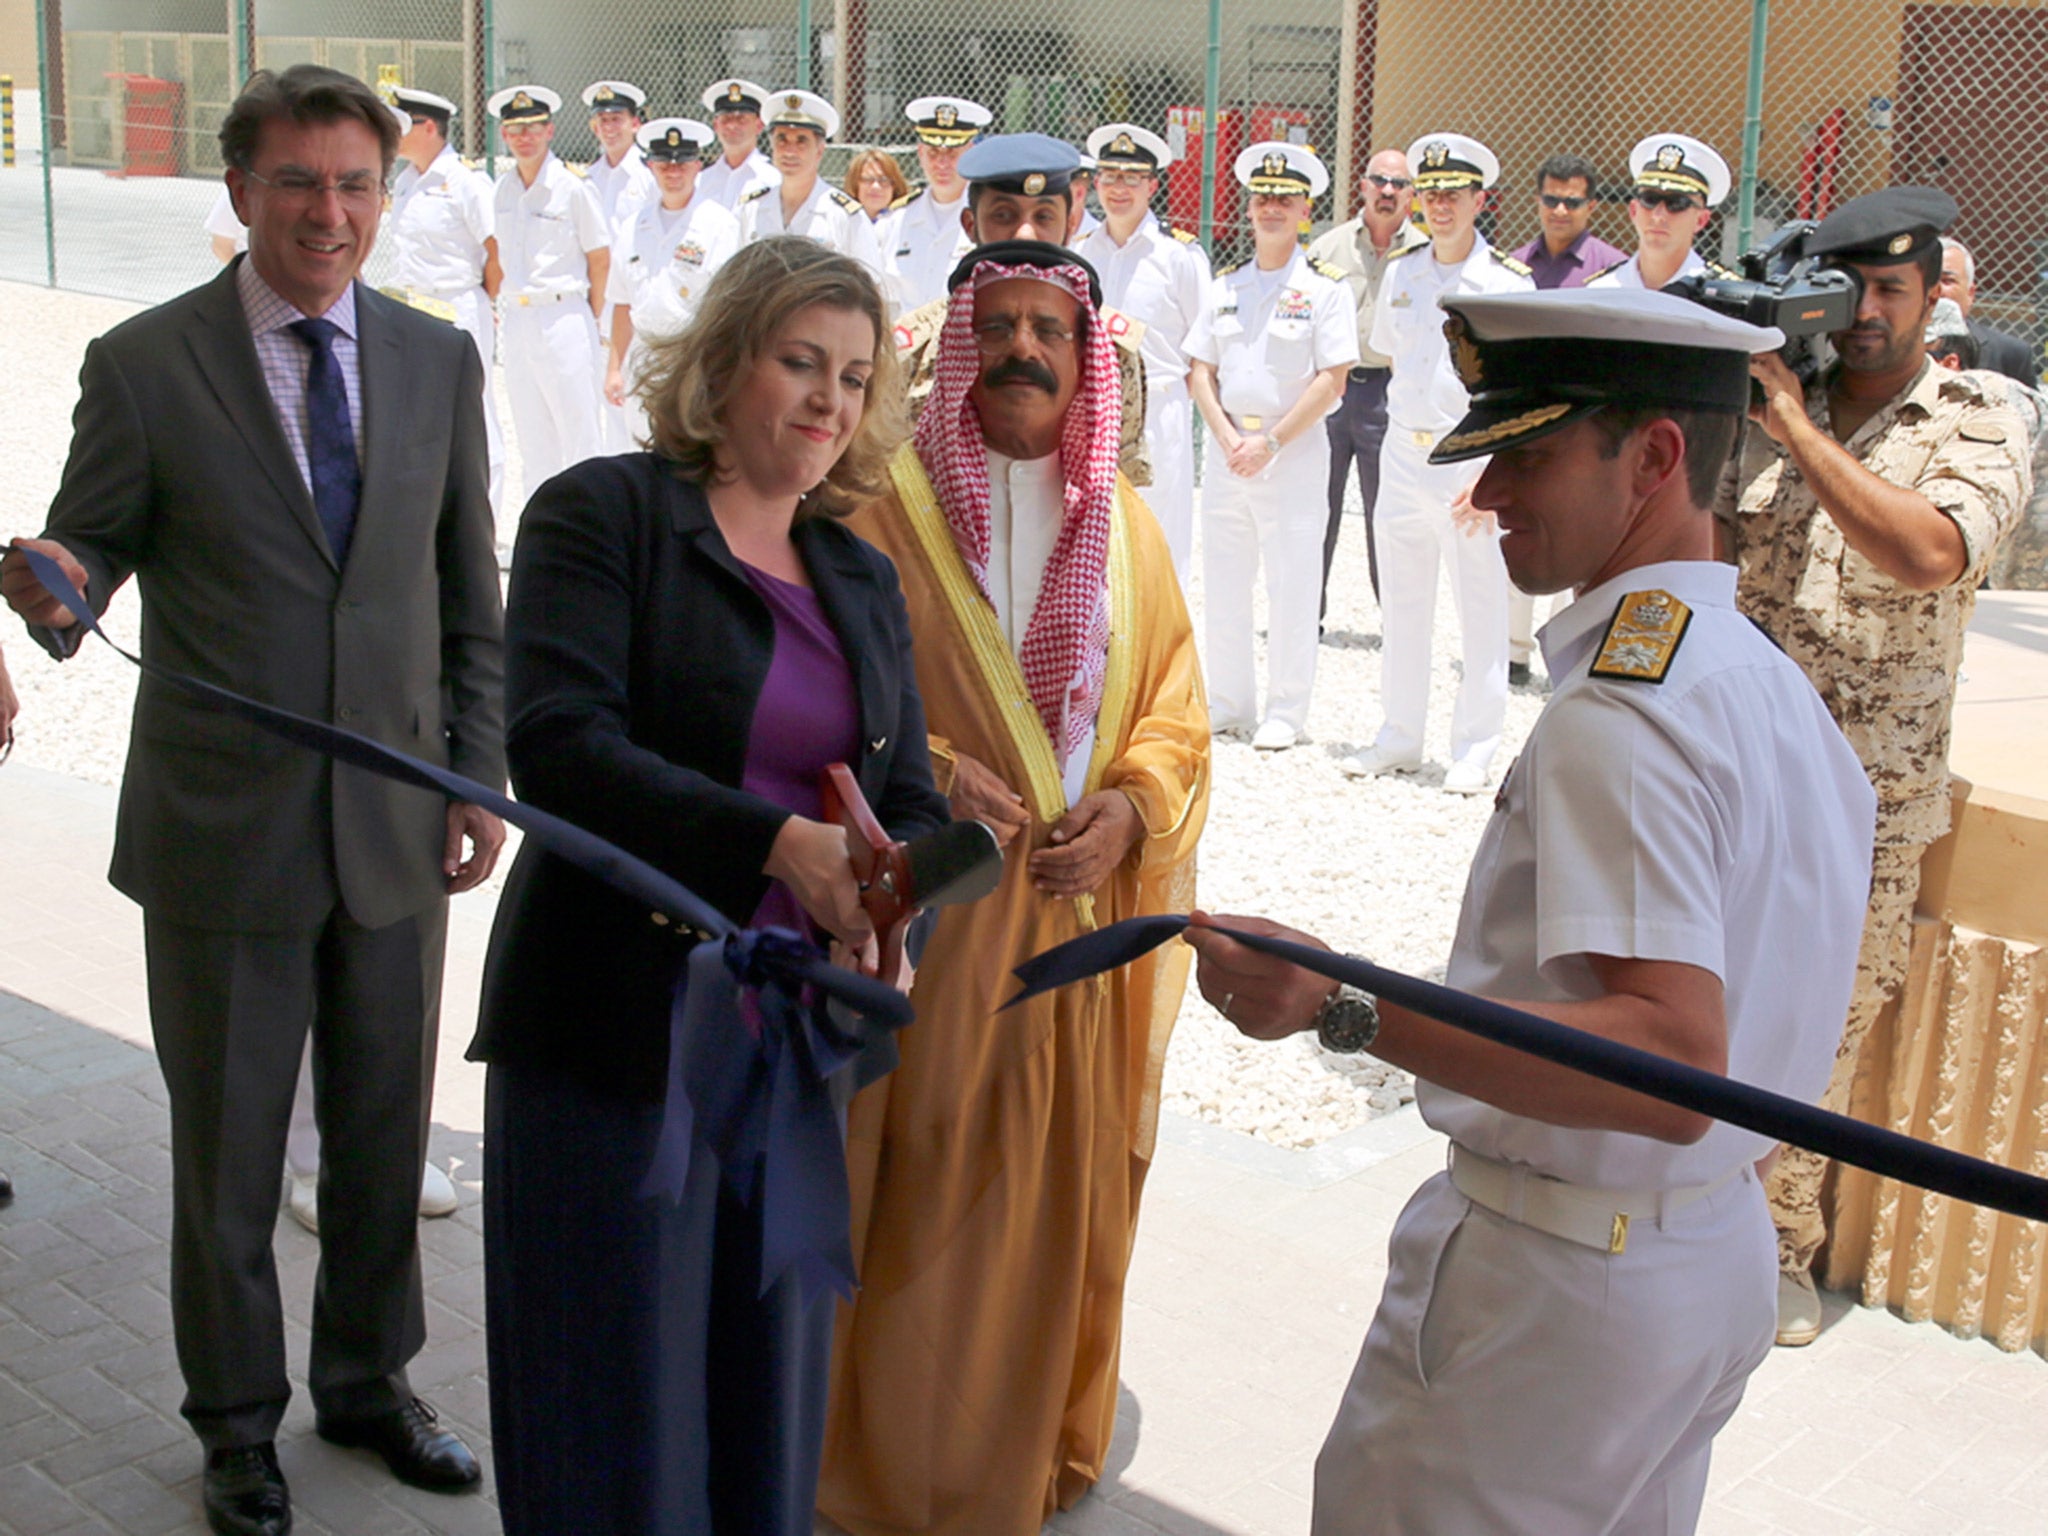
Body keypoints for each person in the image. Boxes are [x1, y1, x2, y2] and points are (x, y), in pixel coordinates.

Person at [1189, 285, 1875, 1535]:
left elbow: (1671, 1063)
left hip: (1561, 1288)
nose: (1490, 493)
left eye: (1531, 453)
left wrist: (1341, 1004)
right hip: (1697, 1256)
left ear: (1656, 458)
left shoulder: (1623, 716)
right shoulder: (1756, 680)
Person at [0, 64, 503, 1536]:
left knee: (378, 1134)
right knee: (226, 1164)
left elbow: (468, 592)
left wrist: (475, 771)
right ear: (239, 194)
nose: (329, 214)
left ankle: (368, 1384)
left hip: (399, 827)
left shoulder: (435, 360)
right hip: (225, 833)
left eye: (355, 185)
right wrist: (52, 584)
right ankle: (234, 1426)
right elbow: (88, 558)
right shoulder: (150, 364)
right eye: (297, 184)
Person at [470, 235, 945, 1536]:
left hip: (787, 1054)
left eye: (853, 377)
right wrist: (775, 848)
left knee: (762, 1411)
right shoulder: (602, 513)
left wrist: (906, 909)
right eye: (800, 361)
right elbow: (561, 746)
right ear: (726, 361)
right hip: (614, 1043)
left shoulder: (858, 572)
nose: (827, 401)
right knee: (611, 1415)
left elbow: (910, 796)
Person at [819, 239, 1209, 1536]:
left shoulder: (1133, 534)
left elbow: (1175, 717)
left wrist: (1133, 808)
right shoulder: (880, 509)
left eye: (1052, 329)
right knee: (916, 1192)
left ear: (1086, 358)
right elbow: (819, 701)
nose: (1026, 351)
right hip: (931, 928)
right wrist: (924, 767)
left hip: (1069, 926)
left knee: (1039, 1210)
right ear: (960, 347)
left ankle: (1006, 1461)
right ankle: (874, 1472)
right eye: (1002, 327)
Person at [1722, 186, 2031, 1347]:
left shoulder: (1976, 411)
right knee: (1696, 999)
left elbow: (1928, 553)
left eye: (1889, 291)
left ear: (1929, 296)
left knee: (1816, 1034)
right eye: (1846, 287)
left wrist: (1796, 430)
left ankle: (1777, 1253)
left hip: (1866, 800)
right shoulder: (1754, 395)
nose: (1863, 313)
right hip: (1737, 777)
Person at [1342, 132, 1531, 794]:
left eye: (1454, 194)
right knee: (1403, 600)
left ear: (1482, 198)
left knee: (1479, 604)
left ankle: (1475, 746)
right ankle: (1399, 736)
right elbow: (1396, 354)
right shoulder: (1404, 271)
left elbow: (1520, 388)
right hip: (1403, 448)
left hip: (1470, 458)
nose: (1440, 206)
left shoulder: (1506, 284)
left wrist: (1491, 472)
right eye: (1431, 193)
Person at [1189, 142, 1357, 749]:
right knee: (1227, 581)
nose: (1271, 208)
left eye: (1284, 199)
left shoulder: (1324, 289)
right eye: (1262, 197)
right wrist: (1231, 437)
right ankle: (1230, 702)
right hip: (1231, 451)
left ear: (1305, 209)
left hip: (1293, 455)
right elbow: (1200, 370)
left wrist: (1271, 443)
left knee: (1291, 583)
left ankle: (1287, 710)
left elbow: (1333, 378)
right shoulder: (1225, 284)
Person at [1077, 121, 1211, 578]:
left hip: (1157, 410)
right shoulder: (1080, 252)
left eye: (1132, 179)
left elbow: (1205, 349)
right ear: (1095, 183)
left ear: (1152, 185)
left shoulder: (1178, 257)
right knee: (1091, 538)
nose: (1119, 189)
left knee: (1159, 540)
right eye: (1110, 177)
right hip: (1089, 406)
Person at [1306, 147, 1427, 614]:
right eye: (1379, 181)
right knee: (1319, 506)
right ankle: (1306, 616)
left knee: (1389, 513)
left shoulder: (1424, 252)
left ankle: (1394, 619)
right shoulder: (1327, 248)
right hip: (1330, 391)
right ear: (1362, 186)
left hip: (1388, 393)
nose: (1388, 191)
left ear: (1411, 194)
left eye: (1398, 184)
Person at [384, 86, 505, 517]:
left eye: (401, 127)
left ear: (429, 127)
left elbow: (496, 251)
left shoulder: (466, 182)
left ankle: (484, 518)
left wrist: (482, 302)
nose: (392, 136)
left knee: (475, 412)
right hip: (412, 306)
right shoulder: (405, 182)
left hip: (458, 305)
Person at [489, 84, 612, 496]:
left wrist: (590, 319)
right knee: (532, 437)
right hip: (518, 318)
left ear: (550, 131)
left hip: (564, 314)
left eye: (533, 128)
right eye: (514, 129)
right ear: (504, 135)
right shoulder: (503, 189)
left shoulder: (572, 185)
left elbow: (599, 258)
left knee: (580, 436)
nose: (524, 137)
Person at [602, 117, 740, 440]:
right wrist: (614, 369)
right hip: (642, 357)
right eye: (664, 164)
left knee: (687, 450)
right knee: (638, 450)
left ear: (698, 167)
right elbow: (623, 305)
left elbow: (728, 308)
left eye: (682, 164)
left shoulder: (719, 225)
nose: (673, 172)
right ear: (651, 166)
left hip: (692, 358)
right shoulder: (634, 226)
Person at [735, 90, 885, 279]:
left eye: (801, 141)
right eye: (782, 139)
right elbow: (736, 280)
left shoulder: (843, 215)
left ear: (819, 150)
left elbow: (871, 284)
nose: (790, 151)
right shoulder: (751, 209)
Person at [879, 95, 991, 311]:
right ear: (920, 154)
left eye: (952, 153)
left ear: (970, 153)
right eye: (933, 153)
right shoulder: (896, 221)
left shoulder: (987, 218)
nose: (942, 163)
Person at [1590, 134, 1731, 291]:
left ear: (1701, 220)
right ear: (1633, 210)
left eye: (1676, 203)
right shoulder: (1601, 290)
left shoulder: (1718, 296)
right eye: (1649, 199)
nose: (1658, 216)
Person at [1510, 151, 1627, 290]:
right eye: (1551, 200)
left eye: (1572, 203)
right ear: (1538, 201)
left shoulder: (1614, 270)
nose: (1560, 211)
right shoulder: (1515, 266)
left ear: (1590, 207)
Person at [1936, 236, 2040, 388]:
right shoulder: (1895, 346)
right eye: (1927, 279)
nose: (1935, 289)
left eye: (1947, 280)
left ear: (1970, 293)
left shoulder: (2010, 354)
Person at [579, 78, 654, 228]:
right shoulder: (589, 178)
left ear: (635, 124)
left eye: (616, 119)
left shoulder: (651, 174)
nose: (609, 127)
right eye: (603, 120)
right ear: (595, 129)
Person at [699, 77, 780, 209]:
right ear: (716, 125)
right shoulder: (701, 182)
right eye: (726, 118)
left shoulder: (774, 180)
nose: (732, 125)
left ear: (759, 125)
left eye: (741, 119)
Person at [845, 147, 909, 221]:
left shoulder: (906, 222)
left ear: (895, 186)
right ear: (855, 184)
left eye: (884, 180)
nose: (876, 186)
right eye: (868, 179)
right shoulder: (840, 221)